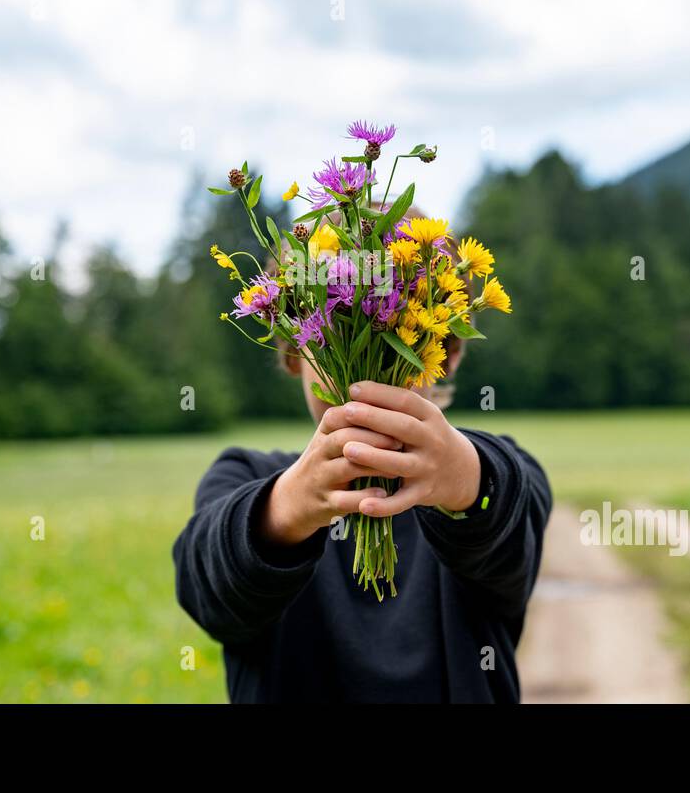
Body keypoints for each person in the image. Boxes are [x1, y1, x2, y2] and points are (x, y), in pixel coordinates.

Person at [172, 224, 552, 703]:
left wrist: (467, 479)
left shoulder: (491, 475)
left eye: (399, 335)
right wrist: (286, 509)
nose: (366, 366)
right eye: (334, 338)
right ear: (293, 350)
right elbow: (206, 594)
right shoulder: (244, 476)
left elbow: (513, 520)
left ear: (447, 350)